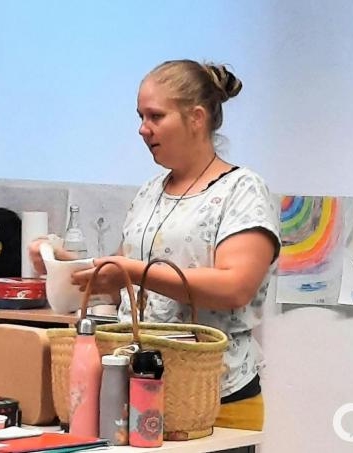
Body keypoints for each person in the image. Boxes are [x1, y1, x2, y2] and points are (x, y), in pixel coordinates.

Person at [29, 59, 280, 431]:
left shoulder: (242, 191)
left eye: (155, 116)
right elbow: (121, 282)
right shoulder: (150, 192)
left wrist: (133, 272)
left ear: (196, 118)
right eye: (140, 116)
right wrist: (62, 265)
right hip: (136, 391)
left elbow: (235, 287)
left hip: (213, 397)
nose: (143, 130)